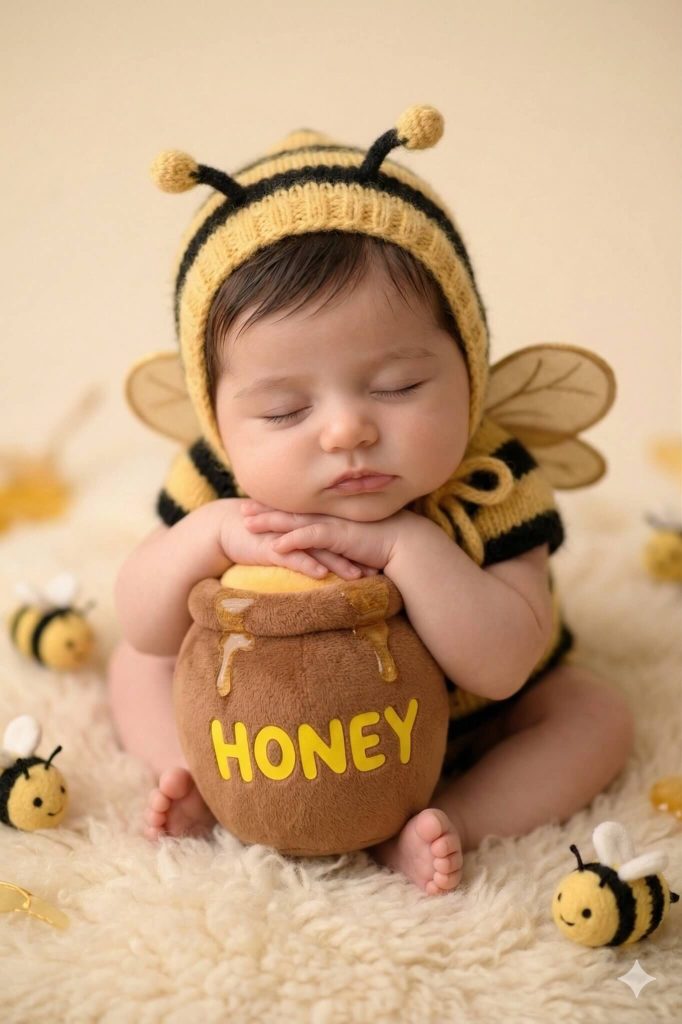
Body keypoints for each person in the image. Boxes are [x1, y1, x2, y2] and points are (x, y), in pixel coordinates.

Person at [108, 105, 634, 896]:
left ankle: (453, 816)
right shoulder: (220, 486)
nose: (348, 429)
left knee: (595, 716)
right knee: (130, 665)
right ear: (218, 420)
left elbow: (502, 666)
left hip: (461, 727)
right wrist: (212, 536)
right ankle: (195, 774)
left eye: (399, 386)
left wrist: (409, 551)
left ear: (471, 369)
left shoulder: (487, 482)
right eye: (286, 411)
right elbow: (143, 625)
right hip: (255, 727)